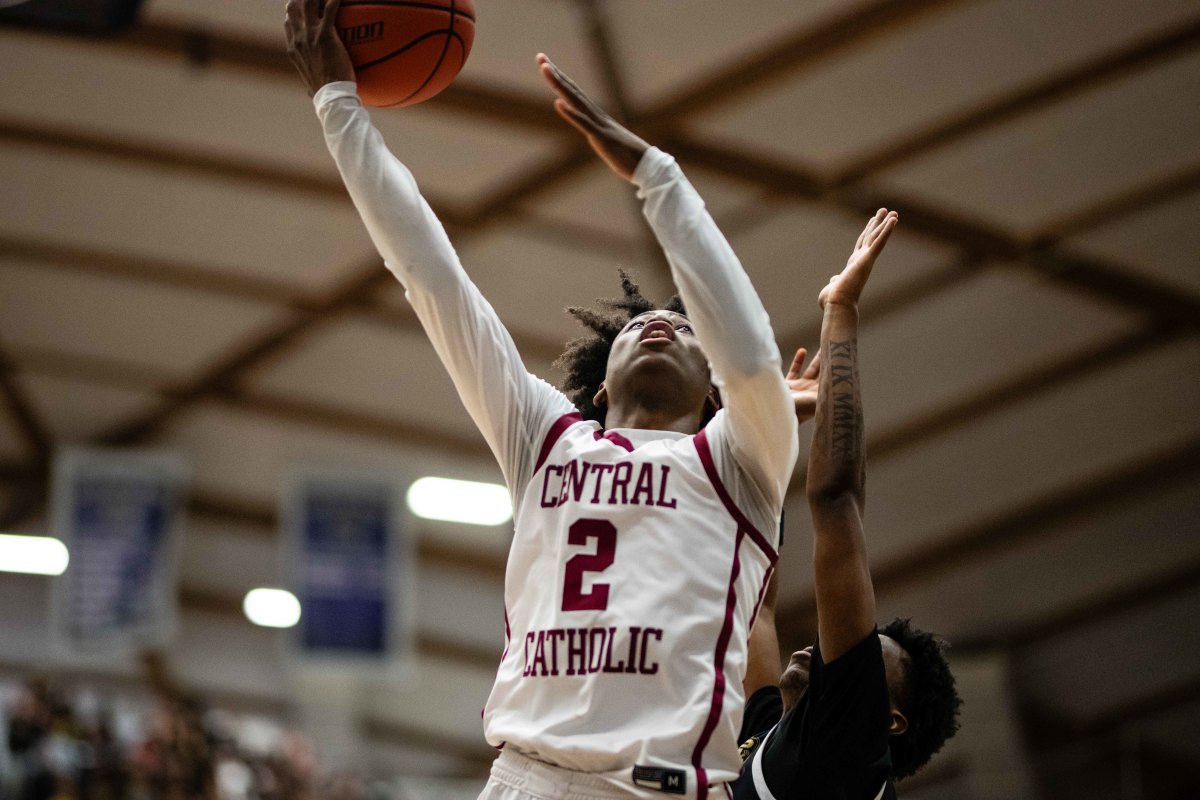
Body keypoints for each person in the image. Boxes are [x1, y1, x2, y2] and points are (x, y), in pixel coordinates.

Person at [283, 2, 798, 797]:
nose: (661, 325)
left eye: (686, 330)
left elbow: (754, 355)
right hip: (526, 779)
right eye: (642, 326)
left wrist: (660, 180)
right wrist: (336, 107)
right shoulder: (545, 437)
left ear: (713, 395)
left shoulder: (739, 462)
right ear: (597, 388)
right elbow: (430, 275)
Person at [732, 211, 961, 800]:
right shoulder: (765, 738)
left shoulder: (846, 759)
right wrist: (772, 440)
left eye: (850, 661)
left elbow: (837, 498)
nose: (819, 646)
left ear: (885, 719)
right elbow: (755, 602)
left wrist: (841, 313)